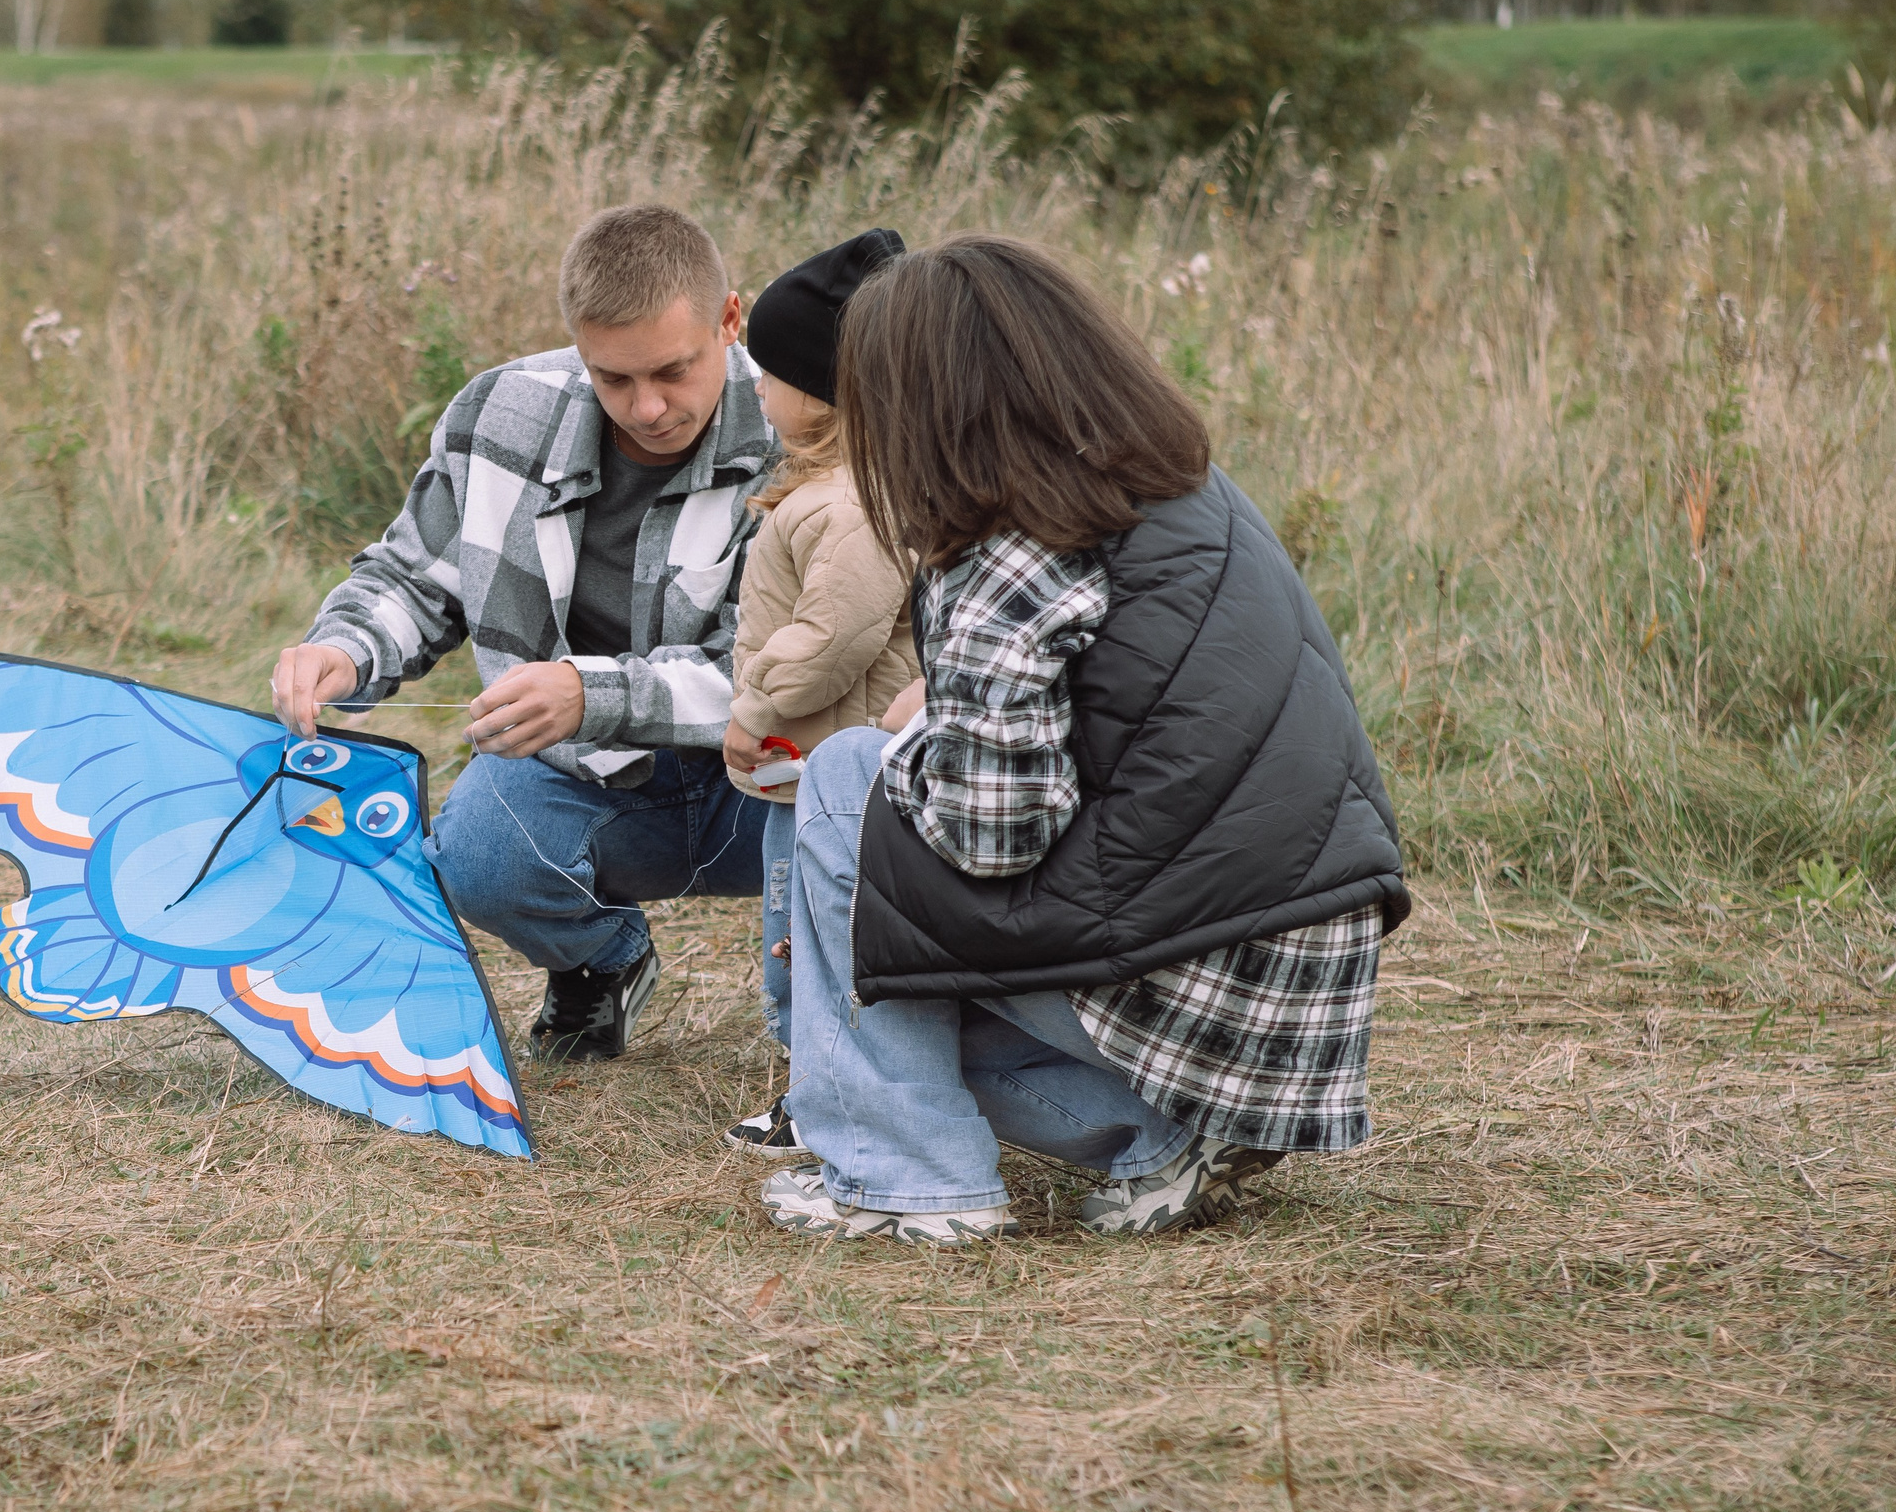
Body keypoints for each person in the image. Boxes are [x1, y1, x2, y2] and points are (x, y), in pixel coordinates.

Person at [759, 233, 1411, 1247]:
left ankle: (904, 1178)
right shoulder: (1176, 487)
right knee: (898, 965)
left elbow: (992, 836)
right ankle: (1159, 1135)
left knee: (848, 780)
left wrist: (919, 735)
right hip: (1299, 976)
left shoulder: (1008, 545)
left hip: (1203, 981)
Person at [270, 204, 775, 1061]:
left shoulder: (803, 431)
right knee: (476, 855)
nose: (647, 407)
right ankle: (603, 963)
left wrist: (592, 694)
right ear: (579, 346)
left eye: (672, 371)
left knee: (869, 826)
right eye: (614, 379)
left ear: (731, 319)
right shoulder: (499, 411)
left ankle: (834, 1045)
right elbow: (416, 577)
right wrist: (343, 648)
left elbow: (780, 671)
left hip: (759, 782)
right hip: (582, 777)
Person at [714, 229, 922, 1157]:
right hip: (805, 765)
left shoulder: (850, 506)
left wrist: (754, 708)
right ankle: (820, 1088)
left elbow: (834, 638)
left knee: (808, 938)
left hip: (820, 771)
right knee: (799, 932)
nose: (755, 388)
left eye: (770, 374)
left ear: (825, 392)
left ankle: (825, 1096)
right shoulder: (834, 492)